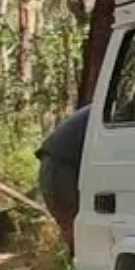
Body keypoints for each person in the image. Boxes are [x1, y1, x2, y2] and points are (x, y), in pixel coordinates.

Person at [35, 105, 90, 257]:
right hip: (62, 167)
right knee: (76, 227)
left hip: (56, 162)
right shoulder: (108, 110)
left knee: (76, 228)